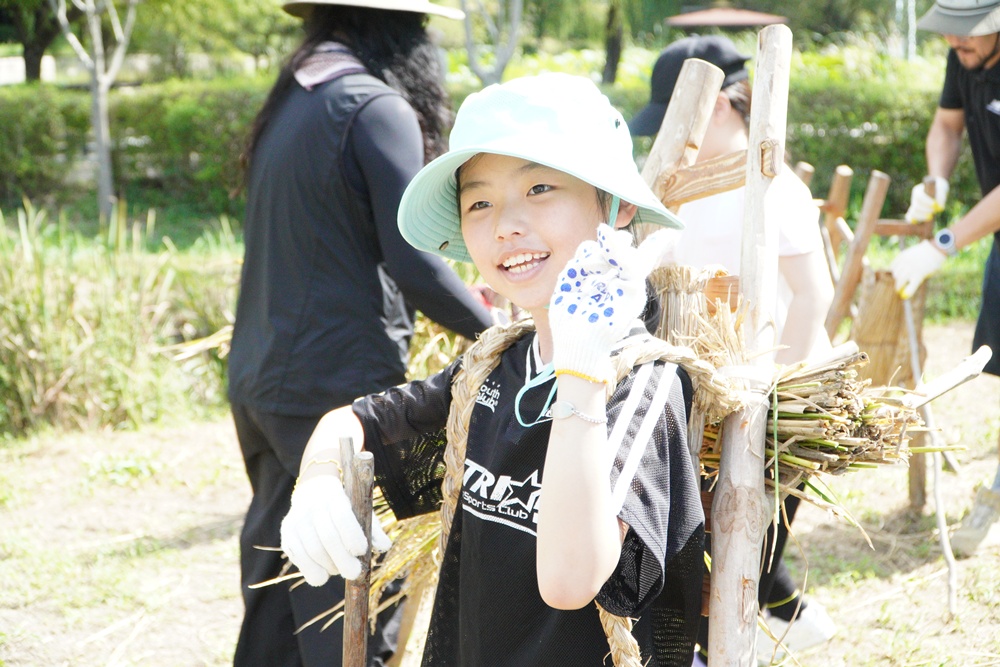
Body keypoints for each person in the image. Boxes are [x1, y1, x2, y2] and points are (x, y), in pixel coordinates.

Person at [279, 73, 707, 666]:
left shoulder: (642, 385)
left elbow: (569, 581)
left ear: (616, 205)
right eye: (479, 201)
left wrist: (580, 367)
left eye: (540, 188)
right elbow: (359, 422)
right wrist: (320, 476)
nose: (505, 223)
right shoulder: (496, 363)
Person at [227, 1, 493, 665]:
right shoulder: (375, 107)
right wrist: (501, 333)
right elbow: (415, 263)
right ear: (399, 31)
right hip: (333, 387)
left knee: (274, 574)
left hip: (261, 378)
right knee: (351, 585)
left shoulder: (295, 96)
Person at [629, 35, 837, 665]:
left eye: (677, 118)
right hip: (697, 396)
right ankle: (770, 626)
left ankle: (780, 625)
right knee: (699, 548)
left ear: (717, 106)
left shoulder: (774, 185)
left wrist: (772, 388)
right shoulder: (670, 188)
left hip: (765, 397)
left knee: (744, 545)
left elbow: (813, 294)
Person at [890, 0, 1000, 558]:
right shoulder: (965, 58)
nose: (957, 46)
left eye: (968, 36)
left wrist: (945, 244)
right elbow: (947, 123)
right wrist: (936, 179)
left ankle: (996, 494)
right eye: (952, 37)